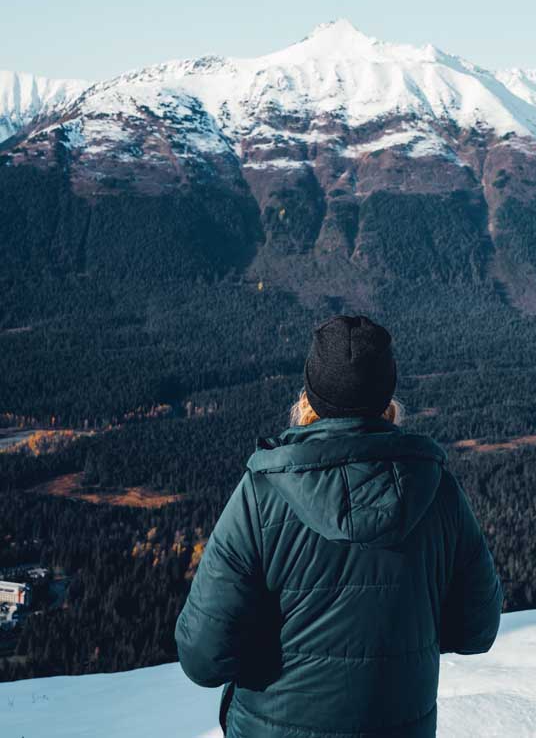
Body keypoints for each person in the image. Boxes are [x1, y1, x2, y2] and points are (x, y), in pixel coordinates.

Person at [175, 314, 503, 738]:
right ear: (388, 395)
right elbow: (477, 630)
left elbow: (203, 657)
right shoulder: (439, 492)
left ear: (309, 395)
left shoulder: (262, 495)